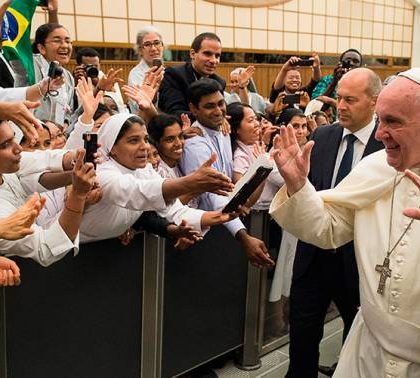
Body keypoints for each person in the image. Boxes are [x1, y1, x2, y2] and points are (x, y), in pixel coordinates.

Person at [269, 68, 420, 377]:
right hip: (369, 350)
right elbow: (328, 227)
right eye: (381, 120)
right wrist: (299, 187)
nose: (379, 134)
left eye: (393, 122)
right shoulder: (376, 167)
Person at [179, 78, 274, 267]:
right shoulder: (194, 144)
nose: (218, 111)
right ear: (194, 108)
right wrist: (244, 236)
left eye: (221, 103)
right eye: (209, 106)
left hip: (224, 223)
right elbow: (212, 194)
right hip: (199, 231)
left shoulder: (223, 130)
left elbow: (228, 184)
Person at [0, 118, 96, 266]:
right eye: (5, 145)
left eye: (14, 138)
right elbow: (46, 248)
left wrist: (75, 160)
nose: (18, 148)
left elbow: (43, 160)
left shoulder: (7, 170)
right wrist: (78, 194)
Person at [158, 32, 225, 119]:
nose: (213, 60)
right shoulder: (174, 75)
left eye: (217, 56)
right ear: (192, 54)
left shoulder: (219, 82)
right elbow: (174, 113)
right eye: (207, 54)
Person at [128, 26, 164, 113]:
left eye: (156, 43)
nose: (153, 48)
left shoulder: (168, 71)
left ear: (162, 46)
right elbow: (140, 106)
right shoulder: (135, 74)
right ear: (140, 50)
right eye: (147, 45)